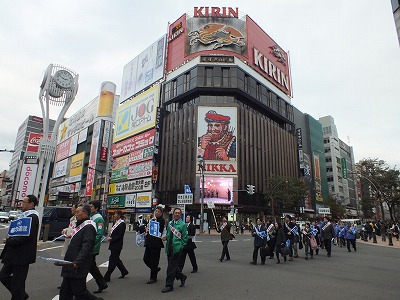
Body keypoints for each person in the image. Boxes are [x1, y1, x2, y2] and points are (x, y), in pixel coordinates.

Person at [59, 204, 103, 300]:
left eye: (78, 212)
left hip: (77, 264)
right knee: (65, 291)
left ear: (85, 213)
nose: (76, 214)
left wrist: (78, 261)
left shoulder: (89, 226)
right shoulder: (80, 225)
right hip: (70, 263)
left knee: (80, 292)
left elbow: (87, 246)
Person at [0, 194, 39, 300]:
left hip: (22, 255)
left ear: (31, 204)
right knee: (3, 276)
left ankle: (19, 296)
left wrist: (9, 241)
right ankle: (21, 295)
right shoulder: (24, 215)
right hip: (13, 254)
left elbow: (25, 237)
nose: (22, 204)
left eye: (25, 202)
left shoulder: (33, 217)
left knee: (18, 281)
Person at [161, 208, 188, 293]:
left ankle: (169, 285)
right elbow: (168, 234)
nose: (177, 214)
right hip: (169, 248)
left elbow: (185, 238)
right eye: (175, 213)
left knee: (170, 268)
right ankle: (182, 277)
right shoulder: (170, 223)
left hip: (177, 249)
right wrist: (165, 238)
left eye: (178, 213)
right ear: (173, 214)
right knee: (173, 266)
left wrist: (180, 247)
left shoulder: (182, 225)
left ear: (180, 215)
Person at [88, 200, 108, 294]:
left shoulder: (99, 219)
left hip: (92, 246)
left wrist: (90, 243)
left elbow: (99, 234)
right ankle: (102, 284)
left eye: (92, 206)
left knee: (91, 267)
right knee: (91, 267)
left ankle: (102, 283)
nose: (90, 208)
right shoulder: (90, 217)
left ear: (96, 208)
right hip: (88, 246)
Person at [103, 210, 128, 282]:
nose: (114, 216)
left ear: (119, 215)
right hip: (113, 243)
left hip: (117, 244)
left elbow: (120, 235)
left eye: (115, 214)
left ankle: (107, 276)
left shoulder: (122, 224)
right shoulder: (115, 223)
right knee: (116, 259)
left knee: (112, 260)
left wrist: (112, 238)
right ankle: (124, 271)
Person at [143, 206, 165, 284]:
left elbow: (159, 231)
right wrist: (147, 231)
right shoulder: (152, 219)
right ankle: (155, 269)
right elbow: (148, 228)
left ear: (161, 213)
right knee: (145, 259)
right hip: (149, 242)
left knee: (154, 261)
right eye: (156, 211)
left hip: (156, 243)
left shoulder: (162, 220)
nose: (156, 212)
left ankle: (153, 278)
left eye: (158, 211)